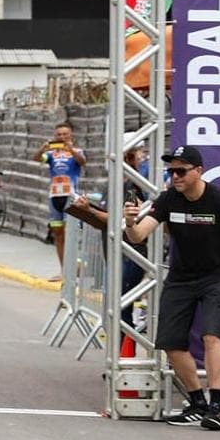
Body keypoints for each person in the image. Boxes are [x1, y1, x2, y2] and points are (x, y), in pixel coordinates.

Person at [123, 145, 220, 431]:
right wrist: (131, 221)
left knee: (211, 336)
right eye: (171, 171)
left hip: (216, 276)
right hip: (181, 277)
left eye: (181, 170)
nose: (175, 176)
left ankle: (216, 407)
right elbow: (139, 235)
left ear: (198, 171)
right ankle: (197, 403)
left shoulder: (219, 200)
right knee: (170, 342)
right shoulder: (169, 199)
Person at [70, 134, 150, 327]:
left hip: (130, 254)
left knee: (122, 309)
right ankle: (121, 349)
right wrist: (89, 208)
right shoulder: (112, 184)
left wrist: (89, 210)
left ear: (128, 158)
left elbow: (119, 220)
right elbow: (107, 214)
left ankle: (124, 352)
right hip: (113, 252)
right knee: (116, 307)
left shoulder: (134, 186)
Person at [34, 122, 86, 281]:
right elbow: (37, 159)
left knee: (71, 233)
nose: (62, 137)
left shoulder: (76, 151)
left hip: (71, 197)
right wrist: (42, 149)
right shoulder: (51, 155)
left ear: (71, 136)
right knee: (58, 234)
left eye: (65, 134)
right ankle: (64, 271)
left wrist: (70, 149)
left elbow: (82, 161)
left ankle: (74, 270)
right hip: (54, 197)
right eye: (59, 135)